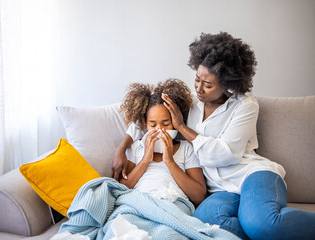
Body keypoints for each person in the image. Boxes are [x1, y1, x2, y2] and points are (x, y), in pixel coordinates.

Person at [112, 32, 315, 240]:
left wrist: (182, 128)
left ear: (228, 83)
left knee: (261, 224)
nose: (199, 89)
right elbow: (149, 119)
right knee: (201, 225)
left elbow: (226, 154)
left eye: (208, 85)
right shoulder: (190, 103)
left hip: (251, 175)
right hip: (219, 190)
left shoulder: (245, 106)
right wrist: (122, 148)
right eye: (197, 80)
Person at [118, 79, 206, 206]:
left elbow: (199, 196)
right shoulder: (137, 147)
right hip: (140, 203)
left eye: (166, 124)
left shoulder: (186, 148)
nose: (159, 130)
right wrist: (145, 161)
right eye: (152, 125)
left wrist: (170, 161)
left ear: (175, 123)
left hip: (173, 204)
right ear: (145, 124)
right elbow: (121, 190)